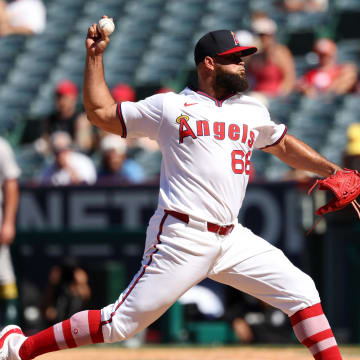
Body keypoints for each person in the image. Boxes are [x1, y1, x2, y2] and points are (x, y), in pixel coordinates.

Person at [0, 21, 345, 360]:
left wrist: (334, 170)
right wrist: (94, 58)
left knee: (302, 291)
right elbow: (101, 113)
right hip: (182, 235)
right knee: (119, 323)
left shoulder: (251, 109)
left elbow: (282, 145)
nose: (243, 64)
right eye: (235, 58)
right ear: (209, 64)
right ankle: (20, 348)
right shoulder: (170, 107)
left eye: (243, 57)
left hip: (232, 237)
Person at [247, 16, 296, 97]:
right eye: (259, 35)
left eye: (264, 35)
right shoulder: (254, 56)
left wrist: (281, 95)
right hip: (257, 95)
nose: (262, 39)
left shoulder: (280, 53)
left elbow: (289, 78)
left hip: (275, 97)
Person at [0, 137, 20, 329]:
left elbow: (11, 183)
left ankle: (9, 327)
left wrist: (8, 222)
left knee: (3, 272)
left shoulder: (1, 146)